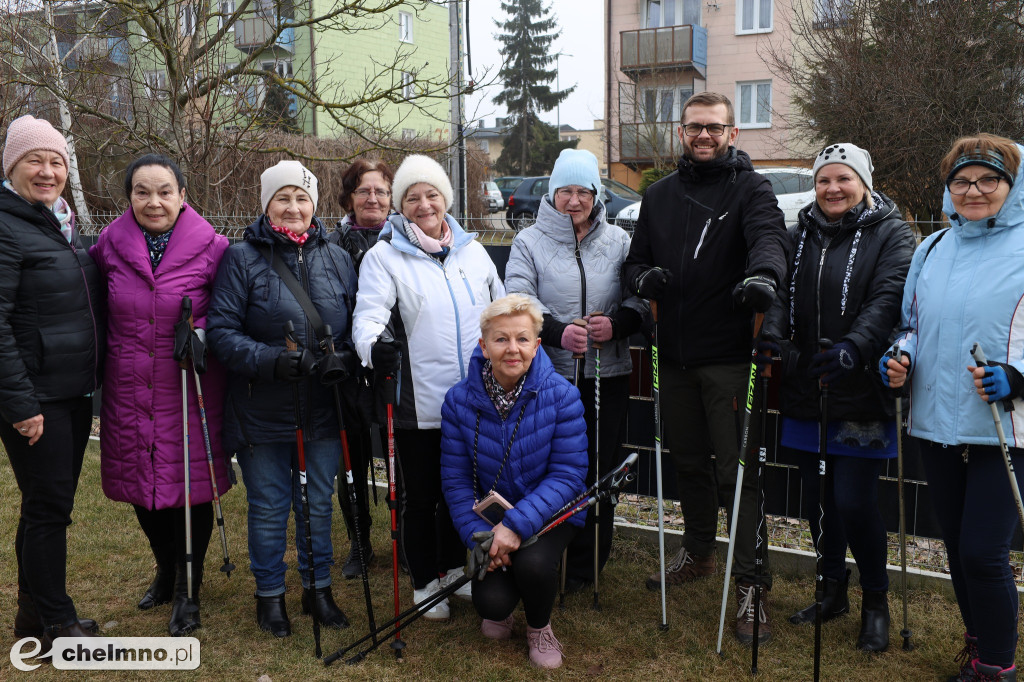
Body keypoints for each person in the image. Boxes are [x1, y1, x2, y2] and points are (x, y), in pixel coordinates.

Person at [622, 91, 789, 644]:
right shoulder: (660, 194)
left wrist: (763, 276)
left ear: (732, 133)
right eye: (695, 127)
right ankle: (698, 551)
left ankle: (751, 584)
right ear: (681, 132)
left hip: (728, 359)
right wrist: (641, 279)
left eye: (715, 128)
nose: (704, 136)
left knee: (735, 475)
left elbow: (769, 239)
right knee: (688, 463)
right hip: (673, 358)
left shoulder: (752, 188)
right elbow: (637, 258)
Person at [881, 134, 1024, 681]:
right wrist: (900, 357)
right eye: (962, 181)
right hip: (937, 418)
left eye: (989, 179)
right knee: (959, 546)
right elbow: (915, 325)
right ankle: (981, 641)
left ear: (1011, 185)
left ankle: (996, 668)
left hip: (1004, 423)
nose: (975, 191)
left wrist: (1017, 376)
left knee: (984, 553)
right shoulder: (933, 249)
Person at [762, 143, 915, 652]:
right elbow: (782, 296)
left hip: (862, 385)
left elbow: (888, 296)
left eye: (844, 179)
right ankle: (832, 589)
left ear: (863, 183)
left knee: (853, 501)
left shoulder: (891, 232)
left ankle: (876, 600)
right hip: (809, 381)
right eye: (825, 179)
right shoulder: (797, 234)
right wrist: (777, 339)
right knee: (817, 501)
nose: (833, 188)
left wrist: (855, 347)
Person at [207, 160, 358, 638]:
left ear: (314, 205)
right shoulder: (241, 258)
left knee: (317, 501)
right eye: (283, 198)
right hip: (262, 407)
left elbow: (358, 325)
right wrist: (272, 360)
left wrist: (346, 359)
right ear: (267, 204)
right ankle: (269, 597)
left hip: (322, 406)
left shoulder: (336, 257)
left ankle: (319, 589)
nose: (293, 207)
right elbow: (221, 333)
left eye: (302, 198)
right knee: (270, 505)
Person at [352, 154, 504, 622]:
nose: (423, 204)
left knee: (462, 492)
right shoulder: (384, 255)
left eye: (431, 194)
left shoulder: (472, 251)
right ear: (400, 206)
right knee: (421, 495)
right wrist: (372, 348)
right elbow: (368, 318)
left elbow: (501, 309)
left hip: (474, 400)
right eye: (412, 197)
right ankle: (423, 581)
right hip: (419, 403)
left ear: (446, 200)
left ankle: (451, 567)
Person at [91, 154, 232, 636]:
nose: (154, 202)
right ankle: (166, 571)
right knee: (142, 489)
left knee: (189, 488)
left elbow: (233, 311)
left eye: (164, 191)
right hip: (129, 388)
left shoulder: (214, 248)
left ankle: (189, 590)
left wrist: (205, 332)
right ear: (128, 197)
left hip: (188, 386)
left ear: (182, 195)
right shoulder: (108, 245)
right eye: (142, 192)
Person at [504, 148, 646, 591]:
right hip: (549, 378)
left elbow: (638, 297)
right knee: (549, 471)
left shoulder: (620, 241)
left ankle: (587, 570)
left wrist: (617, 323)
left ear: (596, 194)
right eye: (564, 190)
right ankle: (545, 558)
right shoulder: (528, 242)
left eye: (583, 190)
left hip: (608, 376)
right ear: (552, 194)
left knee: (600, 470)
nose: (573, 200)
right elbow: (517, 300)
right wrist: (557, 331)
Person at [440, 294, 588, 669]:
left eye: (522, 339)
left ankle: (540, 627)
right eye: (501, 339)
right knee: (489, 605)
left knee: (533, 566)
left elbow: (569, 475)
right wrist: (482, 536)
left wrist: (517, 526)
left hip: (552, 512)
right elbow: (456, 482)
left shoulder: (564, 397)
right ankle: (503, 602)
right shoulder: (458, 401)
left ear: (537, 345)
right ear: (483, 345)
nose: (512, 349)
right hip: (490, 519)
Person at [0, 115, 104, 646]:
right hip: (34, 397)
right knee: (48, 509)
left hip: (69, 391)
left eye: (56, 161)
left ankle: (35, 619)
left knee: (46, 506)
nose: (47, 171)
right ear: (11, 167)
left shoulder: (56, 222)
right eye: (34, 161)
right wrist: (20, 403)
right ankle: (57, 620)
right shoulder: (6, 225)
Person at [327, 157, 394, 579]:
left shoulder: (408, 239)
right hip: (348, 371)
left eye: (381, 191)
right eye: (363, 190)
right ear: (350, 197)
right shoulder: (331, 246)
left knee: (401, 459)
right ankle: (359, 542)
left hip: (393, 367)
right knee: (349, 462)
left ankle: (404, 538)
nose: (373, 198)